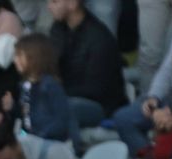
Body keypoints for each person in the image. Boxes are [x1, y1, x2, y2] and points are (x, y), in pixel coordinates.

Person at [47, 0, 125, 129]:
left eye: (54, 1)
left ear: (72, 3)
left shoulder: (99, 38)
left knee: (62, 106)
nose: (49, 6)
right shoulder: (58, 29)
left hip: (101, 107)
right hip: (69, 96)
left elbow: (96, 89)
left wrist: (57, 92)